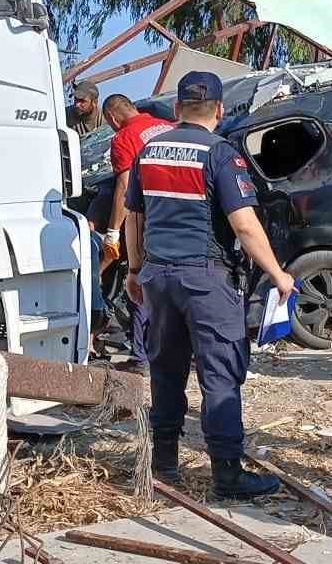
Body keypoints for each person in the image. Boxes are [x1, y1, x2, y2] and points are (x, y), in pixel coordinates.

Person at [125, 71, 295, 498]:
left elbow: (134, 218)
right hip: (205, 279)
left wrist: (133, 269)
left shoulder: (148, 151)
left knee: (165, 369)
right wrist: (278, 274)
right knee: (220, 372)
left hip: (157, 278)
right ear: (219, 110)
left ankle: (164, 465)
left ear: (178, 108)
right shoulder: (220, 154)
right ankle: (227, 473)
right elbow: (244, 225)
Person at [91, 94, 173, 368]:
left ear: (113, 118)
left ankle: (140, 357)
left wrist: (113, 231)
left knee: (140, 284)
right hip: (185, 219)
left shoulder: (123, 138)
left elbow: (125, 188)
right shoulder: (168, 127)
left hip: (150, 220)